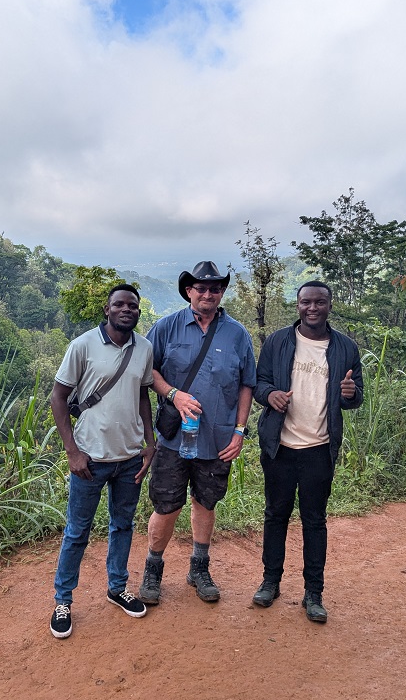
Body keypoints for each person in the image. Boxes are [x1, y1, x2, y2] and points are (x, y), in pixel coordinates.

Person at [139, 261, 256, 604]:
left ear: (221, 293)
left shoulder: (237, 334)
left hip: (219, 440)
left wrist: (239, 431)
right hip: (174, 439)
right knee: (166, 505)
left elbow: (247, 384)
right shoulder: (166, 328)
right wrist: (174, 394)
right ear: (188, 291)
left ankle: (199, 568)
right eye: (201, 288)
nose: (208, 293)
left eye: (215, 288)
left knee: (206, 502)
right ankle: (153, 570)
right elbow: (149, 372)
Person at [251, 280, 363, 622]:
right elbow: (260, 383)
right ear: (297, 305)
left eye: (319, 302)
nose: (312, 308)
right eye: (305, 302)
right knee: (275, 516)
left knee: (315, 521)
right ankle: (271, 582)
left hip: (319, 449)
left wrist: (349, 393)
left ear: (329, 305)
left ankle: (313, 593)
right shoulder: (278, 341)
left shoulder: (345, 348)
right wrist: (270, 395)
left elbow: (356, 397)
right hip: (281, 447)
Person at [49, 284, 157, 639]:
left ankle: (117, 587)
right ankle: (63, 601)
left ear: (138, 312)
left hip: (129, 459)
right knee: (77, 531)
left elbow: (143, 395)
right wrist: (72, 451)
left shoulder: (144, 349)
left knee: (122, 525)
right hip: (90, 459)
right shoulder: (82, 345)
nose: (127, 309)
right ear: (107, 310)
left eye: (133, 305)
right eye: (120, 304)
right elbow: (59, 397)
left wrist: (150, 444)